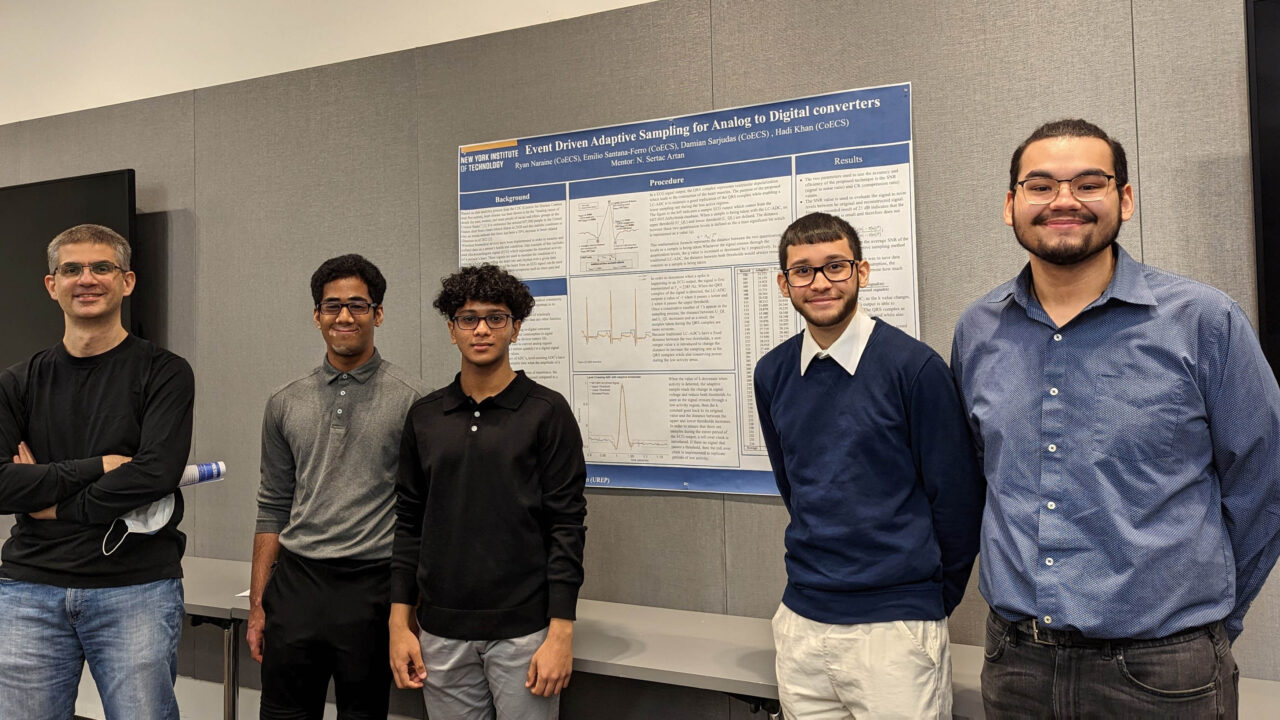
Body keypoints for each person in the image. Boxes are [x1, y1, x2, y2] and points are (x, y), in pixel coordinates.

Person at [951, 118, 1280, 718]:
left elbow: (1265, 485)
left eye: (1088, 183)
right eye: (1041, 185)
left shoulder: (1203, 322)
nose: (1064, 201)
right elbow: (980, 475)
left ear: (1124, 198)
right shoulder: (978, 330)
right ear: (1011, 205)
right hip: (1017, 666)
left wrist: (1213, 623)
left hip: (1162, 674)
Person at [753, 212, 984, 719]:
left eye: (835, 266)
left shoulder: (914, 369)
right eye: (803, 271)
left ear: (862, 271)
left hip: (895, 630)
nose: (820, 283)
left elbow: (959, 500)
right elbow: (796, 487)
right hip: (802, 622)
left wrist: (927, 601)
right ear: (783, 283)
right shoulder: (772, 373)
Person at [0, 223, 195, 720]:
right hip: (29, 589)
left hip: (136, 589)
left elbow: (154, 474)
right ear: (52, 285)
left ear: (126, 281)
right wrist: (98, 467)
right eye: (71, 269)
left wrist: (52, 503)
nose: (86, 279)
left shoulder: (165, 372)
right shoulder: (18, 382)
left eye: (102, 267)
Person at [389, 263, 587, 720]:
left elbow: (567, 527)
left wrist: (560, 633)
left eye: (496, 317)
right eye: (468, 318)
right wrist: (400, 624)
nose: (481, 329)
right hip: (439, 632)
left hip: (524, 633)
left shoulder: (547, 412)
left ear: (515, 329)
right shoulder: (425, 416)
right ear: (451, 330)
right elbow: (409, 523)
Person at [249, 254, 428, 719]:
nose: (344, 316)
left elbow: (423, 513)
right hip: (296, 587)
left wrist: (408, 611)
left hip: (372, 589)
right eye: (332, 306)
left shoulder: (414, 401)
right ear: (316, 316)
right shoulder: (285, 401)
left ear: (378, 314)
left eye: (358, 305)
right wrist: (258, 604)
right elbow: (272, 505)